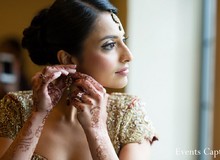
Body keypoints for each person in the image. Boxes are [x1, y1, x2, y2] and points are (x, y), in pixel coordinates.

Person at [0, 0, 158, 159]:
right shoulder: (17, 108)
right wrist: (38, 114)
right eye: (109, 45)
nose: (128, 56)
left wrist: (96, 129)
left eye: (123, 40)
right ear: (68, 58)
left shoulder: (127, 113)